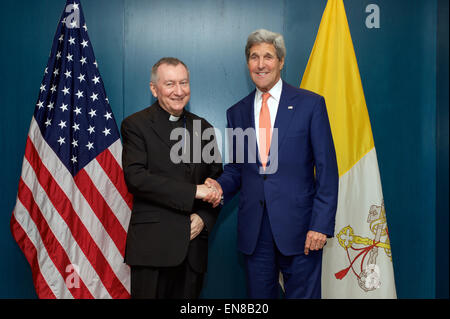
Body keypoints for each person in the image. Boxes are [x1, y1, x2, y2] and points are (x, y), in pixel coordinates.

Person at [205, 29, 339, 299]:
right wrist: (218, 186)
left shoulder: (310, 104)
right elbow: (239, 168)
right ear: (248, 64)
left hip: (302, 230)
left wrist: (320, 225)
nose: (261, 64)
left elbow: (327, 169)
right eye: (254, 57)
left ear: (281, 61)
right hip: (256, 234)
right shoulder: (237, 112)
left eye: (268, 56)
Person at [121, 57, 222, 299]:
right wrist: (193, 192)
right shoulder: (135, 125)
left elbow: (216, 181)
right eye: (170, 84)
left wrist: (204, 217)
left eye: (184, 83)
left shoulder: (203, 128)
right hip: (152, 249)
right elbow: (136, 179)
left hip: (193, 250)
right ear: (154, 89)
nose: (179, 91)